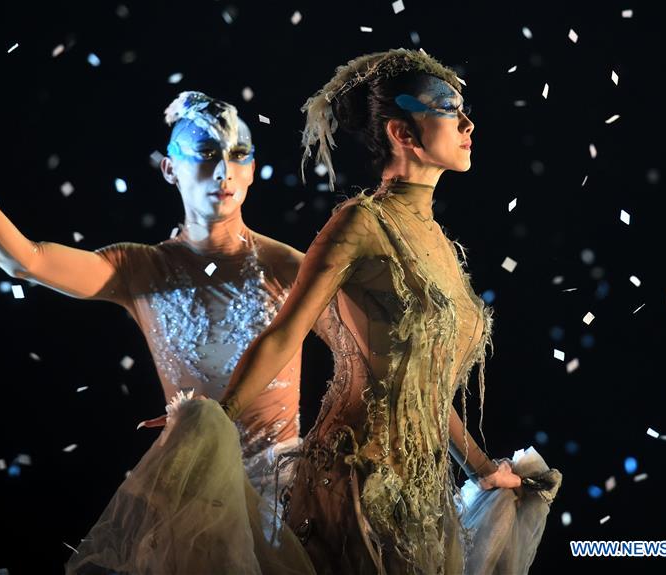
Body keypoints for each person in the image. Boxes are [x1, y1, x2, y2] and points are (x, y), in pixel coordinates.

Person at [0, 90, 323, 573]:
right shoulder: (140, 269)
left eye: (237, 155)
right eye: (206, 154)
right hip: (191, 503)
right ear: (170, 169)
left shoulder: (290, 268)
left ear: (252, 169)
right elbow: (27, 260)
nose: (224, 171)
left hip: (284, 499)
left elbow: (365, 353)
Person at [219, 48, 561, 574]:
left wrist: (480, 469)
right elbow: (284, 335)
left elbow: (422, 385)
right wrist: (211, 421)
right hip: (356, 481)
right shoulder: (360, 223)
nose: (468, 121)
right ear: (403, 134)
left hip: (422, 495)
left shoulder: (441, 244)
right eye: (448, 108)